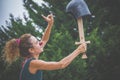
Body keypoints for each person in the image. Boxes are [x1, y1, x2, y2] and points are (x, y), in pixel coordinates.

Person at [2, 14, 86, 80]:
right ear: (31, 50)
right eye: (37, 42)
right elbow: (61, 64)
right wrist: (78, 50)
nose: (40, 42)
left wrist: (50, 24)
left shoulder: (30, 60)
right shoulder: (33, 63)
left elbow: (44, 40)